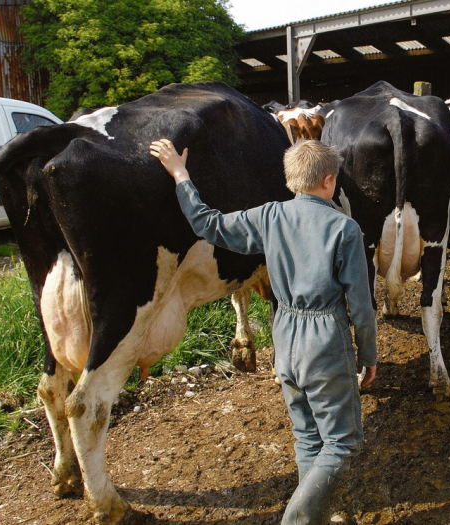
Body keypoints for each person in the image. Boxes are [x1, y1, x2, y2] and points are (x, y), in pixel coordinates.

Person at [150, 138, 377, 525]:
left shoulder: (270, 217)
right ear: (329, 181)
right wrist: (368, 356)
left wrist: (180, 175)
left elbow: (208, 223)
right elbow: (361, 306)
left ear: (291, 180)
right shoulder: (345, 229)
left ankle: (315, 518)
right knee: (343, 442)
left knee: (307, 436)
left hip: (285, 336)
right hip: (326, 341)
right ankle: (298, 519)